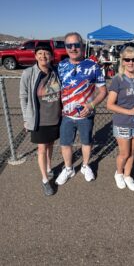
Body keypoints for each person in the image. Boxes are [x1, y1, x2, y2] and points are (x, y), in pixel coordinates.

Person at [55, 32, 107, 185]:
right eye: (69, 45)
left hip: (86, 115)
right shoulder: (61, 65)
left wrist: (91, 105)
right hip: (66, 116)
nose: (73, 48)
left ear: (82, 46)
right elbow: (55, 89)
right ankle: (68, 168)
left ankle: (85, 166)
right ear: (65, 47)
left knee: (86, 142)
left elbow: (103, 91)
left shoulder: (93, 66)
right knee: (65, 144)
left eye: (76, 45)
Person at [20, 42, 61, 196]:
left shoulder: (55, 71)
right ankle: (45, 180)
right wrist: (26, 118)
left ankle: (49, 168)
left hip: (55, 117)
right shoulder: (29, 73)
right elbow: (23, 96)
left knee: (50, 144)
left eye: (46, 53)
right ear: (35, 56)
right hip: (39, 120)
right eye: (40, 53)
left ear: (51, 56)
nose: (43, 56)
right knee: (42, 149)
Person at [107, 46, 134, 191]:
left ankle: (128, 175)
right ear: (122, 61)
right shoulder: (118, 80)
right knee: (124, 153)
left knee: (132, 152)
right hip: (123, 122)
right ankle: (119, 173)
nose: (131, 62)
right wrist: (129, 111)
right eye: (127, 59)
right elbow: (109, 105)